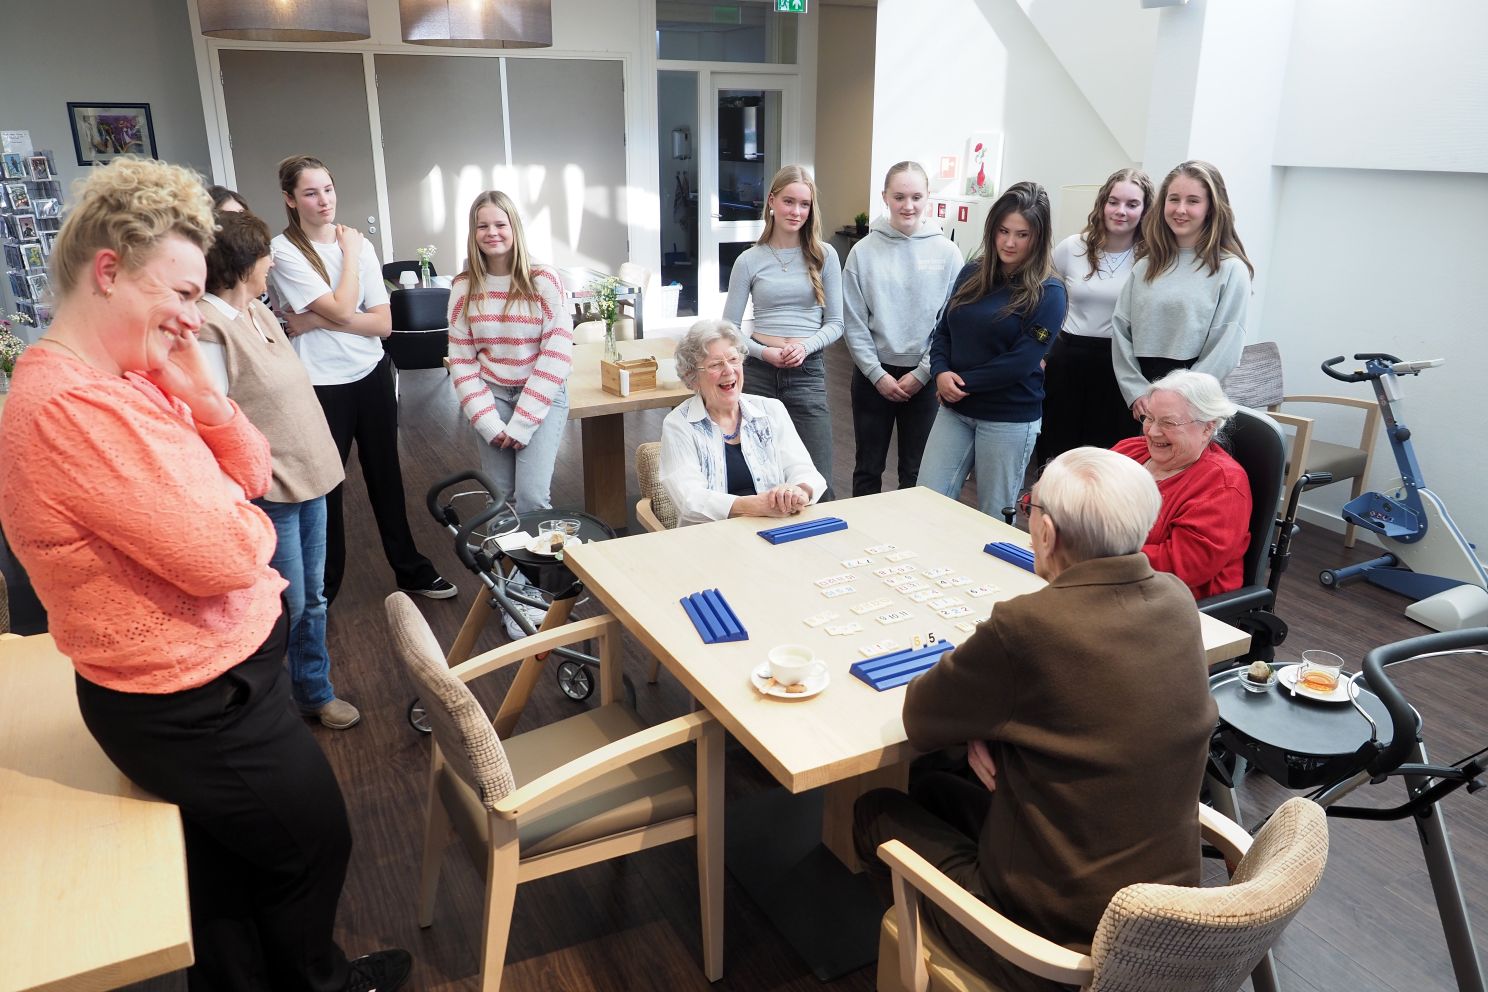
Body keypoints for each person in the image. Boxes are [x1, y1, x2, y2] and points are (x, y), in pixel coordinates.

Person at [0, 156, 410, 991]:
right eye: (184, 294)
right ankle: (320, 983)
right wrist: (241, 528)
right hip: (192, 703)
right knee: (312, 844)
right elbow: (226, 553)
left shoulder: (129, 379)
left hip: (211, 683)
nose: (196, 317)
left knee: (228, 869)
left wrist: (202, 399)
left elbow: (254, 474)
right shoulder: (73, 409)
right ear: (108, 271)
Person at [854, 447, 1217, 992]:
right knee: (935, 784)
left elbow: (922, 719)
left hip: (1050, 946)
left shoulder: (1027, 626)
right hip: (1164, 922)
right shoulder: (1176, 599)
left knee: (874, 809)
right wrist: (1002, 727)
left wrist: (990, 722)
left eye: (1029, 507)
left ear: (1045, 533)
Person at [197, 210, 361, 730]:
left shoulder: (259, 311)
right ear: (245, 264)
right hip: (271, 488)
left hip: (308, 476)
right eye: (265, 255)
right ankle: (272, 709)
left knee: (310, 598)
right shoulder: (207, 328)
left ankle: (313, 692)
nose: (272, 262)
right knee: (284, 604)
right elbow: (212, 420)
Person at [267, 154, 454, 605]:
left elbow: (383, 326)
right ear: (290, 200)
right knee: (328, 488)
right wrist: (347, 261)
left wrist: (311, 319)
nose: (324, 201)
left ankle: (410, 569)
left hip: (371, 374)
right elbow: (344, 308)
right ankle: (325, 587)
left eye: (328, 189)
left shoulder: (360, 244)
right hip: (319, 385)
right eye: (310, 193)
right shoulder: (284, 250)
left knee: (386, 477)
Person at [917, 181, 1066, 518]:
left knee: (993, 516)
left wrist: (958, 385)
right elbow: (944, 330)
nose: (1010, 242)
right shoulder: (972, 272)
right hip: (955, 411)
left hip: (1008, 416)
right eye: (1003, 231)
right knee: (925, 500)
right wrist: (940, 372)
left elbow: (1020, 363)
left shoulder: (1050, 291)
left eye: (1022, 234)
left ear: (1038, 238)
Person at [446, 190, 573, 513]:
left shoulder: (543, 280)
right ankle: (507, 566)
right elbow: (461, 362)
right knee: (500, 500)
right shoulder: (464, 287)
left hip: (541, 392)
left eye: (500, 224)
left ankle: (532, 566)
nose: (492, 233)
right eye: (482, 226)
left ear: (514, 228)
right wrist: (488, 422)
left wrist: (523, 422)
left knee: (531, 498)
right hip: (493, 395)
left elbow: (556, 356)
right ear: (473, 234)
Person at [842, 160, 963, 496]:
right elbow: (853, 322)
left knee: (916, 472)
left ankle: (911, 543)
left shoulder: (948, 254)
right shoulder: (862, 253)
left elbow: (950, 322)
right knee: (868, 467)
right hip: (872, 377)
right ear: (884, 197)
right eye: (899, 197)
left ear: (928, 198)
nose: (907, 206)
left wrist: (923, 373)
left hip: (925, 380)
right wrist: (877, 374)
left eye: (916, 197)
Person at [722, 165, 842, 497]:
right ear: (772, 201)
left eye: (804, 204)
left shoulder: (825, 255)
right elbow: (729, 328)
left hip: (807, 372)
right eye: (789, 202)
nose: (796, 211)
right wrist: (764, 353)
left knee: (819, 478)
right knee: (761, 473)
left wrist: (805, 347)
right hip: (759, 372)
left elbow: (836, 323)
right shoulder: (749, 260)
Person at [1111, 160, 1253, 417]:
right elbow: (1121, 331)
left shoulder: (1231, 270)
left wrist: (1177, 399)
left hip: (1192, 404)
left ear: (1211, 208)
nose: (1181, 209)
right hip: (1139, 402)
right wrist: (1136, 392)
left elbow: (1226, 346)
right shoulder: (1145, 266)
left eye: (1193, 201)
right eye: (1174, 199)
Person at [1037, 168, 1154, 462]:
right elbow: (1041, 299)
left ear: (1145, 209)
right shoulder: (1072, 248)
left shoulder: (1151, 257)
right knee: (1061, 451)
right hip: (1067, 360)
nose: (1121, 211)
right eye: (1113, 202)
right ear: (1102, 203)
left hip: (1119, 364)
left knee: (1107, 456)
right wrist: (1039, 351)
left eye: (1132, 204)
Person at [659, 318, 825, 525]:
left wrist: (798, 491)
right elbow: (690, 499)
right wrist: (756, 506)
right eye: (715, 364)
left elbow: (805, 470)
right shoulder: (678, 424)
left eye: (733, 359)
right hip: (712, 540)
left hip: (776, 527)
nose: (729, 370)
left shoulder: (771, 410)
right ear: (692, 377)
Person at [1114, 369, 1250, 600]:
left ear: (1208, 426)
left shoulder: (1223, 485)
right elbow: (1077, 489)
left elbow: (1182, 565)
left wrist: (1092, 551)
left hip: (1174, 605)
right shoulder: (1130, 451)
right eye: (1149, 418)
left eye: (1168, 422)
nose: (1152, 431)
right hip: (1111, 583)